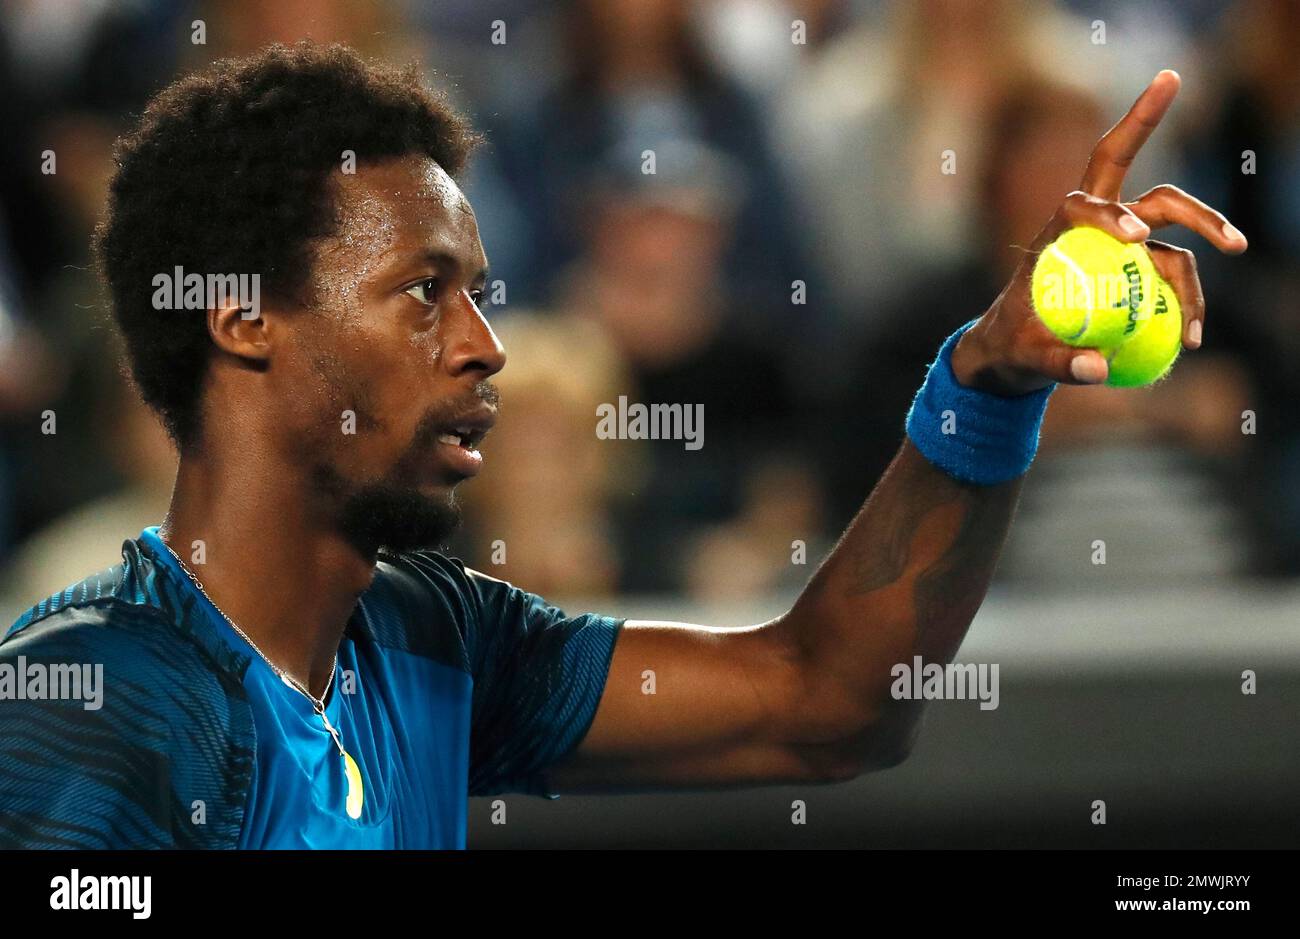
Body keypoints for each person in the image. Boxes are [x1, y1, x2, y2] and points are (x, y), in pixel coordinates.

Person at [0, 44, 1245, 848]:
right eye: (425, 291)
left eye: (481, 292)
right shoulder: (82, 701)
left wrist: (983, 380)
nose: (486, 344)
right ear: (244, 319)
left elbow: (830, 702)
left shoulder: (443, 641)